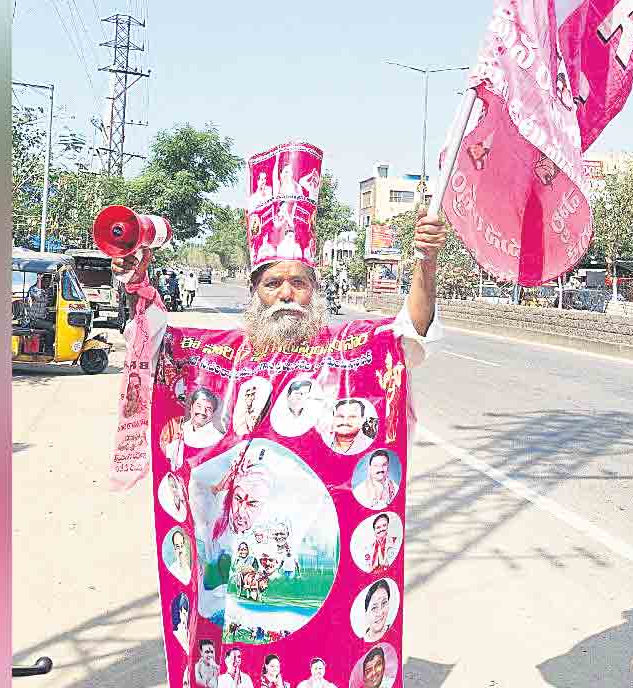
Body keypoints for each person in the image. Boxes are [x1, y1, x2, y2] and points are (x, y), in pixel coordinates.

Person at [110, 140, 449, 673]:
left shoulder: (350, 349)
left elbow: (412, 332)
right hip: (237, 558)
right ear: (255, 292)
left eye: (299, 282)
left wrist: (425, 262)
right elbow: (153, 342)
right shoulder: (219, 355)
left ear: (315, 290)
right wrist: (136, 282)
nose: (287, 294)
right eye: (273, 283)